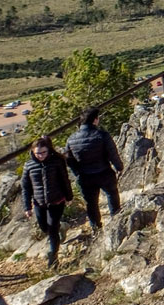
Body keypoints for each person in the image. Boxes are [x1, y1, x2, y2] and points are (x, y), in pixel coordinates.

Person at [64, 107, 124, 233]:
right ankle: (116, 222)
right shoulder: (102, 135)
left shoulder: (71, 139)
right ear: (95, 120)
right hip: (104, 171)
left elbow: (69, 160)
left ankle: (95, 228)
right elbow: (112, 153)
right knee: (112, 195)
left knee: (91, 204)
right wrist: (119, 167)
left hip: (85, 176)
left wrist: (78, 173)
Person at [21, 136, 73, 268]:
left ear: (48, 150)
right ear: (33, 152)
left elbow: (64, 180)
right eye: (38, 153)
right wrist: (27, 206)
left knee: (52, 228)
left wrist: (69, 197)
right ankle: (62, 228)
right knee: (44, 227)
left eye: (43, 152)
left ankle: (53, 257)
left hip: (57, 200)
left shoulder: (57, 161)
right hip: (39, 203)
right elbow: (26, 187)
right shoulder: (28, 165)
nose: (41, 155)